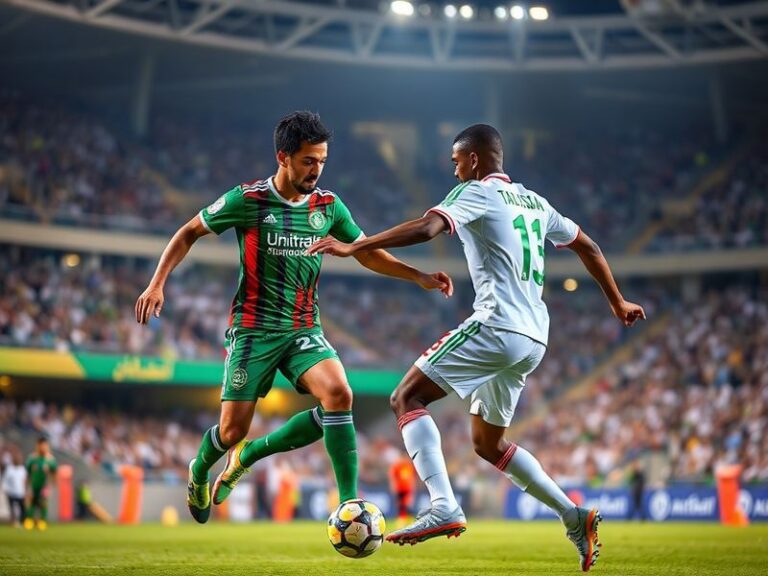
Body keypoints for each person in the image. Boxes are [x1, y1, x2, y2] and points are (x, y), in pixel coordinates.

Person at [309, 124, 646, 571]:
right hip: (534, 338)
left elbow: (428, 228)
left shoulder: (477, 193)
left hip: (497, 325)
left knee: (405, 397)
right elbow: (588, 245)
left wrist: (358, 244)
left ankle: (444, 505)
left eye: (455, 162)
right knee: (489, 445)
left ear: (473, 159)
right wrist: (617, 301)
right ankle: (573, 514)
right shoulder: (535, 202)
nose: (453, 172)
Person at [135, 111, 452, 524]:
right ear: (283, 157)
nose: (316, 170)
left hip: (304, 327)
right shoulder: (247, 200)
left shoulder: (328, 206)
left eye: (321, 161)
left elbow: (366, 251)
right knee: (231, 432)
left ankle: (348, 505)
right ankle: (200, 470)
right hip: (253, 331)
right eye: (308, 161)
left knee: (339, 394)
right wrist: (157, 283)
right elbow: (188, 232)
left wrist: (418, 276)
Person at [24, 437, 57, 531]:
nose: (43, 447)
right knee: (31, 502)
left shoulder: (50, 459)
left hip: (45, 485)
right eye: (41, 445)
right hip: (33, 485)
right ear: (37, 446)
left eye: (44, 445)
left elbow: (54, 473)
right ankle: (29, 521)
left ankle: (42, 522)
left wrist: (51, 485)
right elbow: (28, 473)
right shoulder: (32, 458)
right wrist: (26, 485)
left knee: (43, 503)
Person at [389, 451, 416, 527]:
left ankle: (407, 519)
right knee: (401, 505)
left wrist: (413, 487)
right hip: (399, 488)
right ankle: (402, 520)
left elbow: (412, 478)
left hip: (407, 489)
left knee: (407, 504)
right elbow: (393, 477)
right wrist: (393, 487)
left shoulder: (409, 465)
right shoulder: (397, 466)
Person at [2, 451, 26, 528]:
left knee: (22, 509)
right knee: (12, 509)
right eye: (16, 458)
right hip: (11, 493)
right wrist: (6, 490)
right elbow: (5, 480)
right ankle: (13, 522)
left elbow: (25, 480)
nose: (18, 460)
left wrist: (26, 490)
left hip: (21, 492)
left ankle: (23, 522)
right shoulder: (10, 469)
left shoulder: (22, 469)